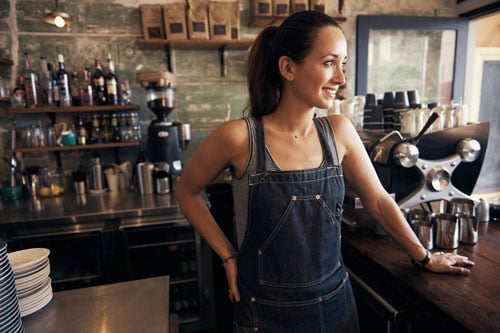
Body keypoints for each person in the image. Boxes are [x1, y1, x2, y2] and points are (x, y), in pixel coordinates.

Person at [175, 10, 475, 332]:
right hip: (263, 314)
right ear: (288, 67)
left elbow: (378, 201)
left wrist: (425, 257)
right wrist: (228, 256)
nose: (341, 79)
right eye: (329, 63)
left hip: (336, 307)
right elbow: (186, 191)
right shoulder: (239, 137)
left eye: (342, 64)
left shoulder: (338, 131)